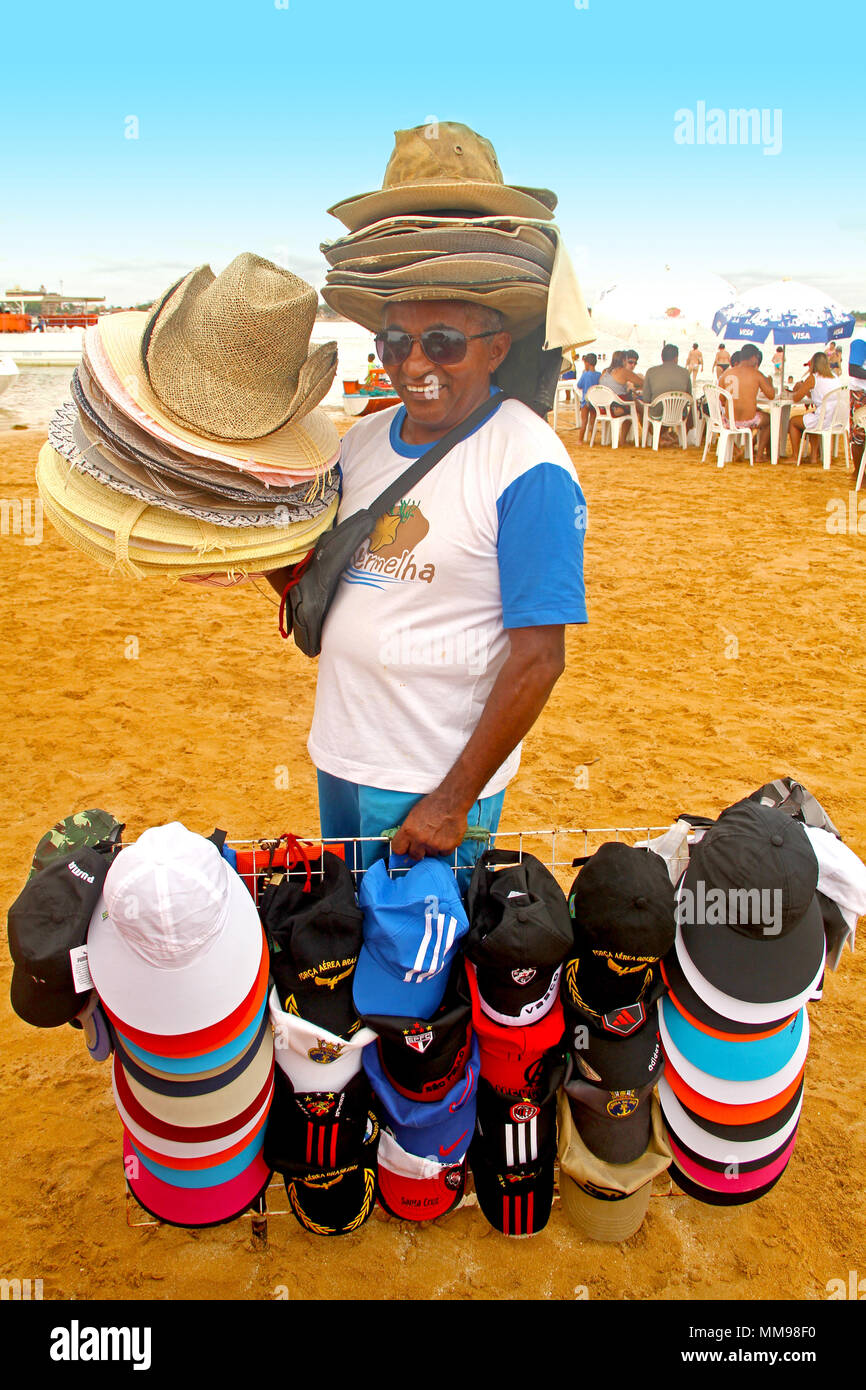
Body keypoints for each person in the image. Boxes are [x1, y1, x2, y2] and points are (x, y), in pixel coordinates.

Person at [268, 298, 587, 868]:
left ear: (497, 348)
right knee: (346, 938)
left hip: (430, 777)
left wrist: (452, 799)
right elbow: (323, 586)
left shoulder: (528, 462)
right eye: (394, 343)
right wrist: (240, 547)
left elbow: (540, 658)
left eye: (442, 343)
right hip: (342, 755)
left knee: (419, 949)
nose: (414, 365)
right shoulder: (359, 443)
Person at [718, 343, 774, 461]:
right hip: (749, 421)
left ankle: (736, 450)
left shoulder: (726, 374)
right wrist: (770, 382)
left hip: (729, 421)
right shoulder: (756, 374)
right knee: (769, 419)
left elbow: (721, 400)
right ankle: (759, 455)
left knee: (720, 421)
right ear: (754, 357)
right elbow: (771, 395)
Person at [788, 351, 843, 465]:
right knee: (812, 417)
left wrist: (799, 388)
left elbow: (796, 398)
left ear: (814, 364)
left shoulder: (813, 377)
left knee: (793, 421)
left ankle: (794, 456)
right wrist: (806, 389)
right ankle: (813, 457)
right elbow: (820, 393)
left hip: (824, 420)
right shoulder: (835, 377)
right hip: (837, 419)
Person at [642, 343, 693, 438]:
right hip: (679, 414)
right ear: (676, 358)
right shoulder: (685, 372)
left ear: (662, 357)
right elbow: (689, 397)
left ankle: (656, 435)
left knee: (641, 407)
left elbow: (646, 399)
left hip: (657, 414)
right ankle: (675, 436)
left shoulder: (651, 371)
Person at [600, 350, 643, 434]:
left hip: (602, 407)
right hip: (616, 408)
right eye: (628, 361)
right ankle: (623, 440)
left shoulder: (605, 371)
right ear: (624, 360)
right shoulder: (623, 371)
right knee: (635, 408)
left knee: (633, 405)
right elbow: (642, 382)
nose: (632, 365)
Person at [846, 339, 866, 476]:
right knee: (859, 434)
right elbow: (853, 369)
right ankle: (859, 473)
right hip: (861, 392)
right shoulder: (861, 340)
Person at [576, 351, 600, 441]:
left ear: (587, 363)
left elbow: (579, 385)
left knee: (584, 422)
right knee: (592, 422)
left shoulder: (585, 375)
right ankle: (592, 439)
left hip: (585, 401)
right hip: (594, 401)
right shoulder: (599, 375)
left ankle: (580, 440)